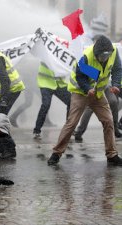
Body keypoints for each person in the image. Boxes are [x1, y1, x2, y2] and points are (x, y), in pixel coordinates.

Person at [47, 35, 122, 166]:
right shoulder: (86, 57)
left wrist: (116, 84)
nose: (105, 59)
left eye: (107, 56)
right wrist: (87, 89)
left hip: (98, 92)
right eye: (102, 56)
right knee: (72, 123)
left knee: (108, 120)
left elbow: (117, 70)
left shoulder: (114, 52)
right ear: (96, 53)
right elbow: (80, 76)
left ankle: (112, 155)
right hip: (80, 92)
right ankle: (56, 153)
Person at [33, 62, 71, 139]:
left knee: (71, 102)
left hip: (59, 84)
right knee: (45, 105)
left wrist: (95, 74)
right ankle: (37, 130)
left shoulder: (64, 56)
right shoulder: (47, 53)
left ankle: (69, 129)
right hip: (45, 84)